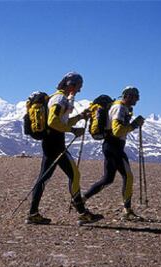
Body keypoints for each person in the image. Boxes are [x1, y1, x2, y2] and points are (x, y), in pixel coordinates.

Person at [26, 72, 103, 225]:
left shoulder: (58, 98)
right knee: (74, 175)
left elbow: (61, 120)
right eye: (79, 86)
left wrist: (80, 117)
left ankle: (33, 213)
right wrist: (73, 130)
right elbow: (53, 121)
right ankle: (82, 213)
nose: (80, 90)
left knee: (44, 177)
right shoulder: (60, 98)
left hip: (50, 143)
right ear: (71, 85)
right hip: (56, 144)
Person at [83, 86, 145, 221]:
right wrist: (134, 125)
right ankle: (127, 211)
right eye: (135, 96)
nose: (137, 99)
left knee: (108, 179)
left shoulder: (121, 107)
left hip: (111, 146)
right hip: (114, 146)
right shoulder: (120, 108)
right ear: (128, 96)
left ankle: (81, 199)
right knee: (128, 177)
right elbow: (117, 131)